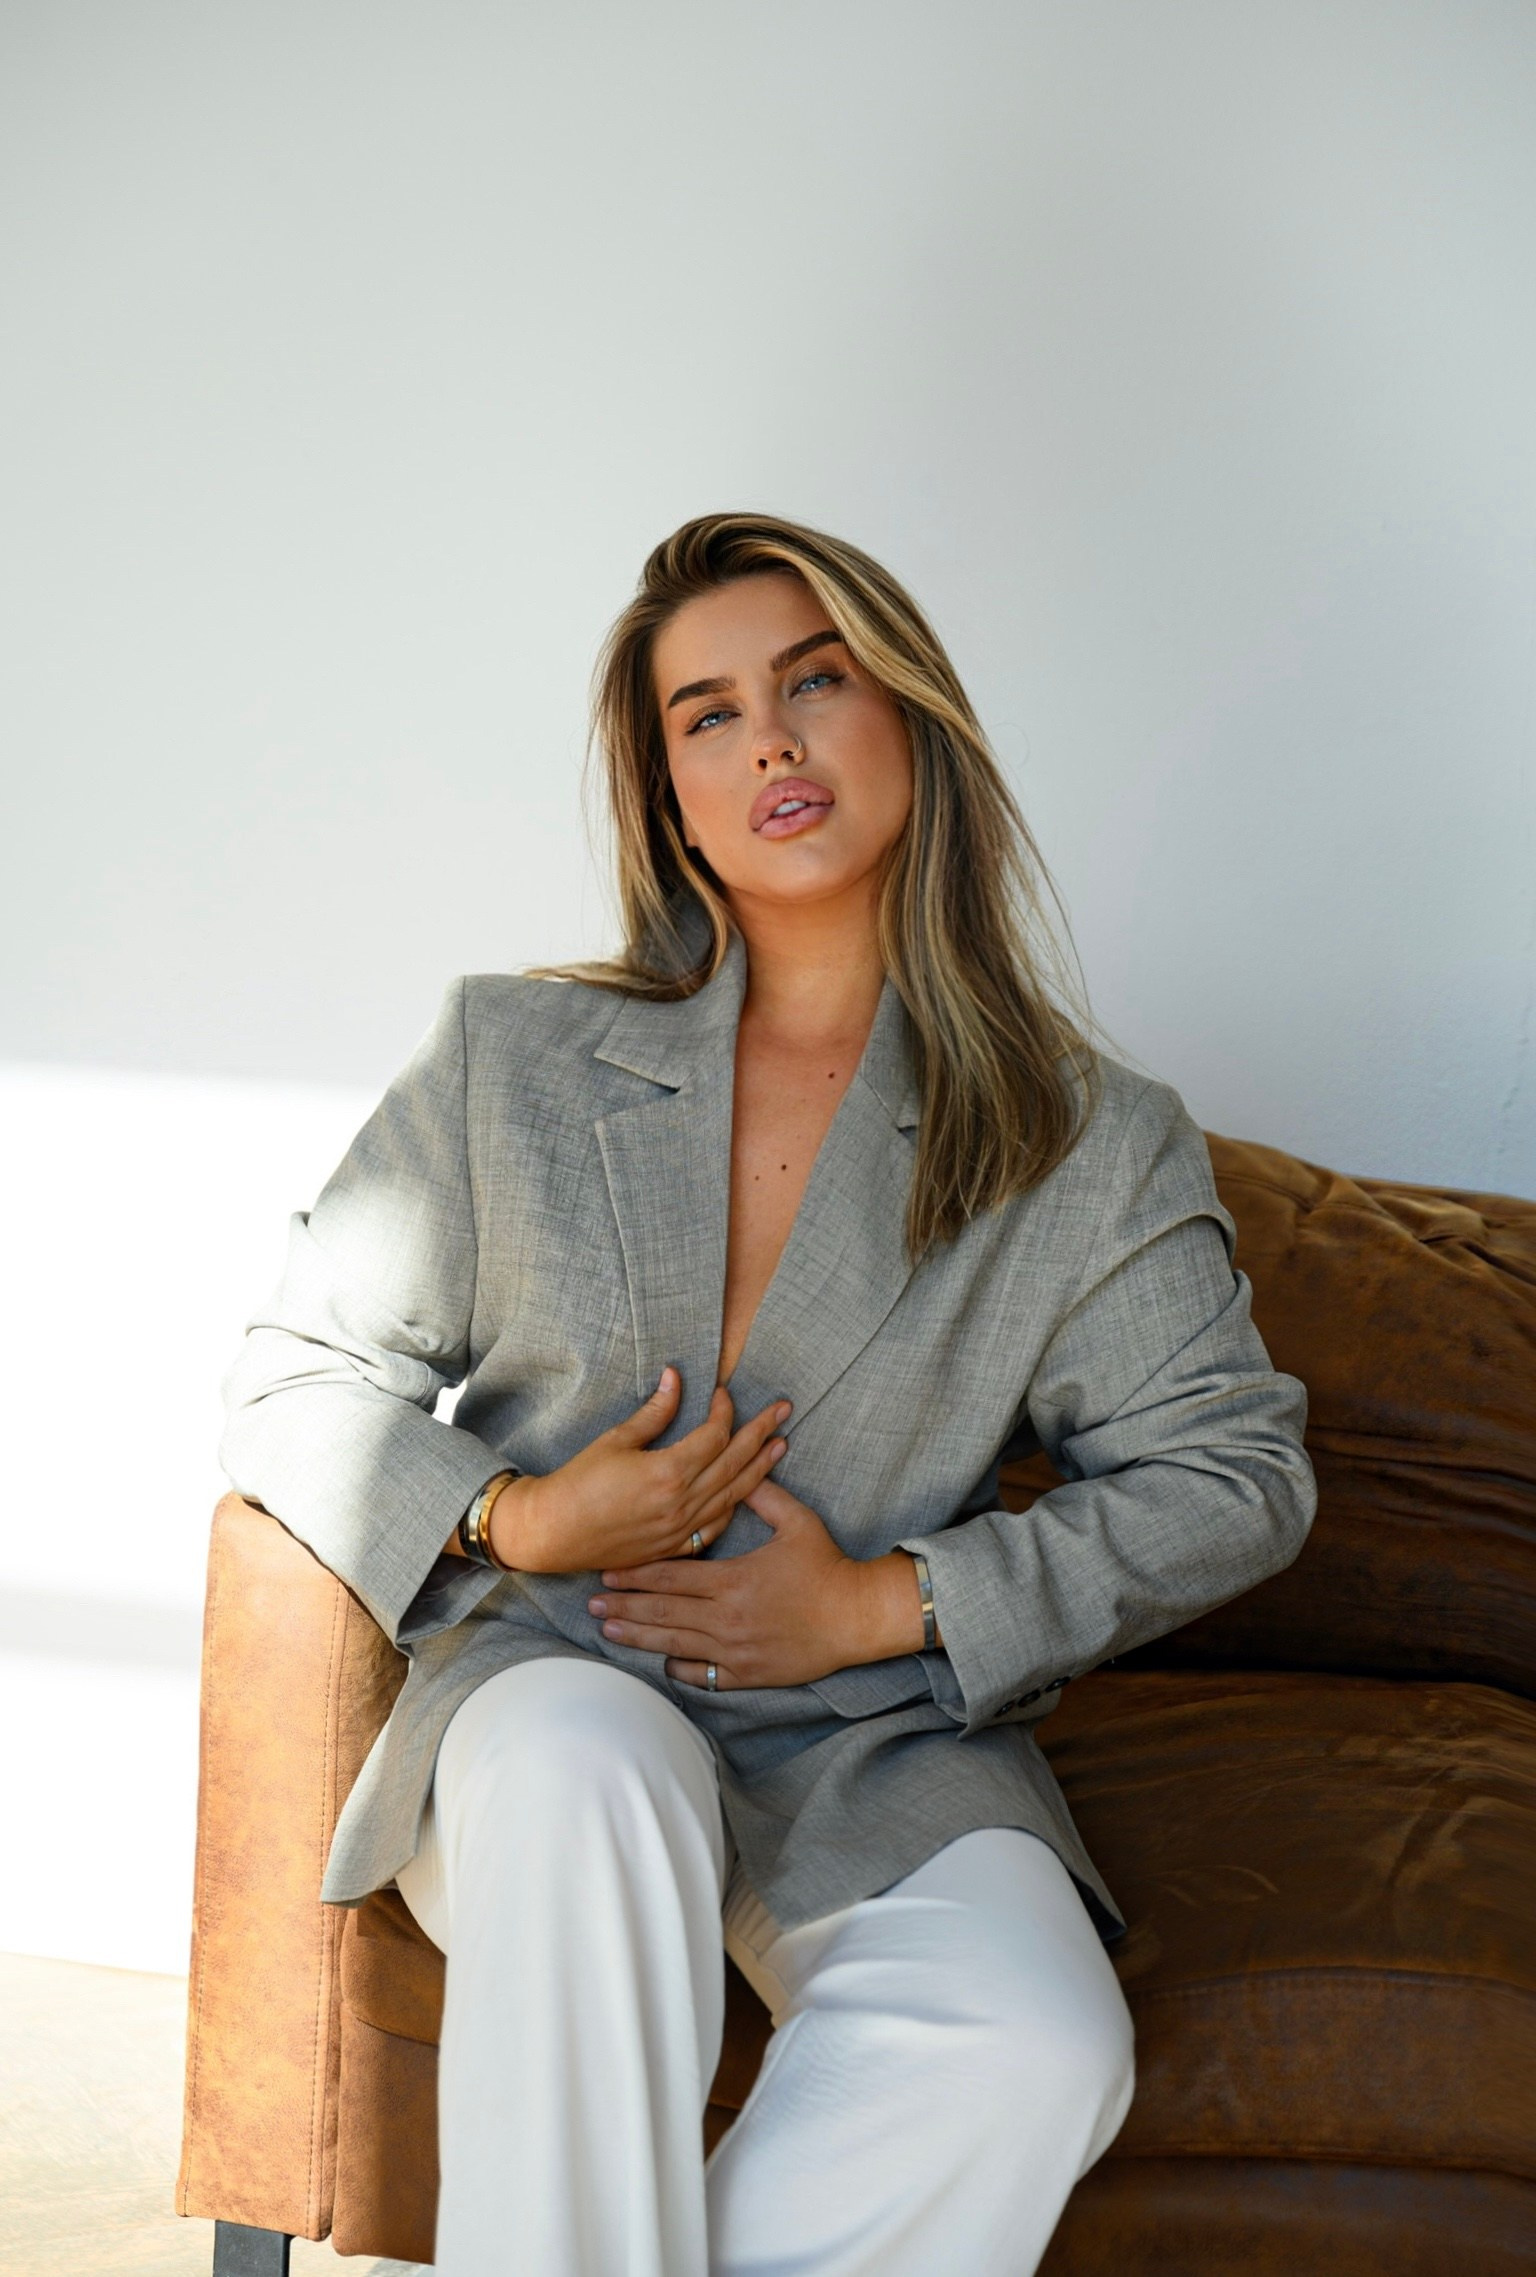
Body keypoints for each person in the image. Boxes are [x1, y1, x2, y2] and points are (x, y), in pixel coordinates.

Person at [220, 511, 1316, 2276]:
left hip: (876, 1739)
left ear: (911, 718)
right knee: (586, 1777)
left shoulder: (1086, 1140)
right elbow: (295, 1368)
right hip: (551, 1684)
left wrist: (885, 1604)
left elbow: (1237, 1473)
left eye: (815, 682)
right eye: (709, 714)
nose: (771, 743)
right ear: (669, 795)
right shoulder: (509, 1056)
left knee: (1033, 2042)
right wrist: (516, 1512)